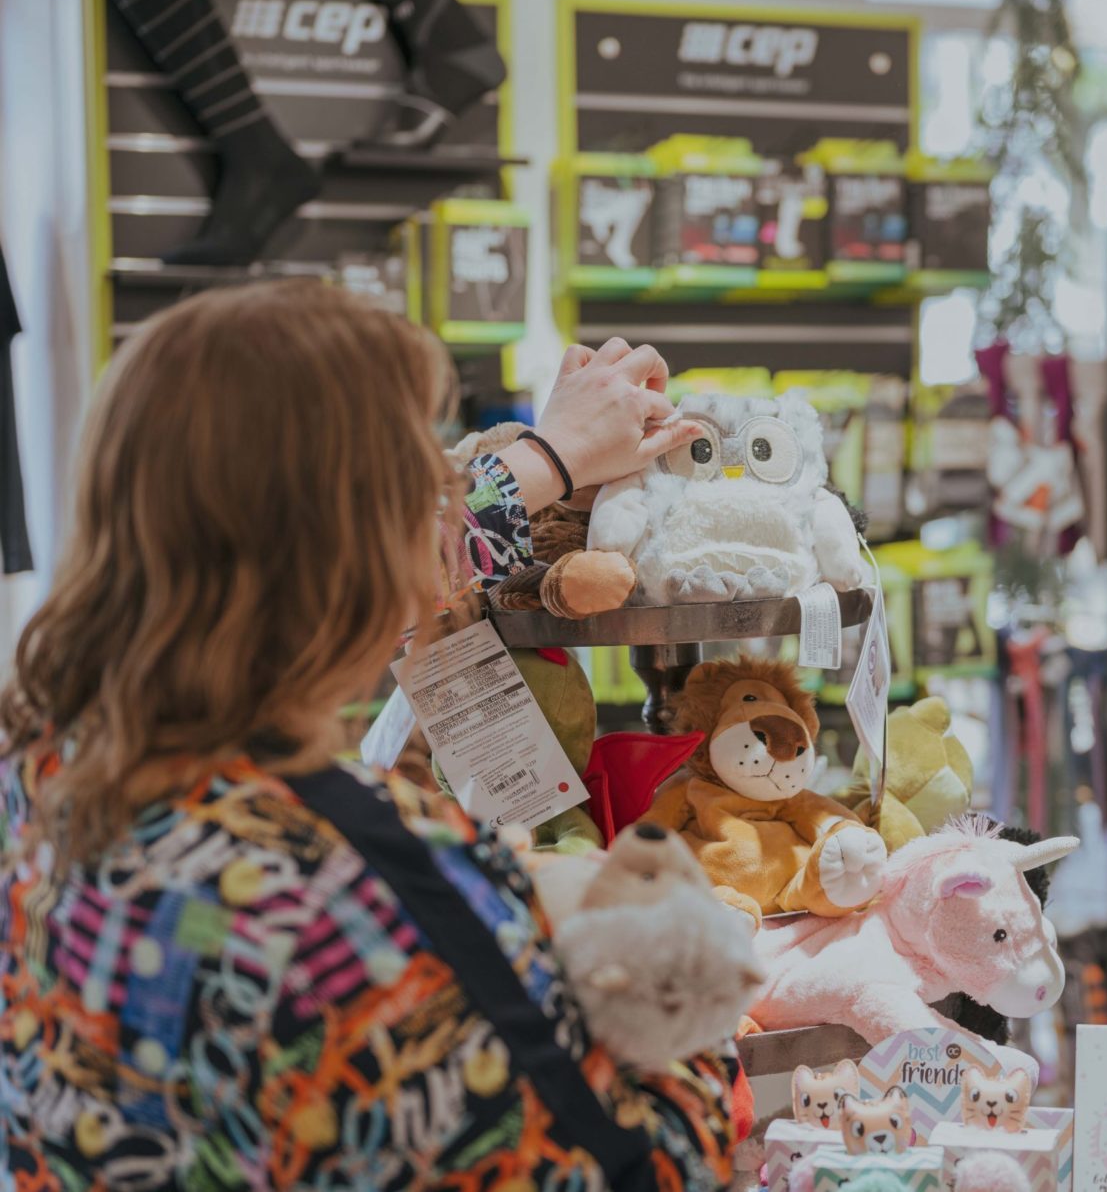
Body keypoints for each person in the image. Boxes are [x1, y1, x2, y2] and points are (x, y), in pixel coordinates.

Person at [0, 281, 722, 1190]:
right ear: (355, 543)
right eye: (420, 475)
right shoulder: (359, 880)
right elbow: (632, 1168)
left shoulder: (44, 768)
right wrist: (687, 993)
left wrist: (548, 457)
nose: (444, 501)